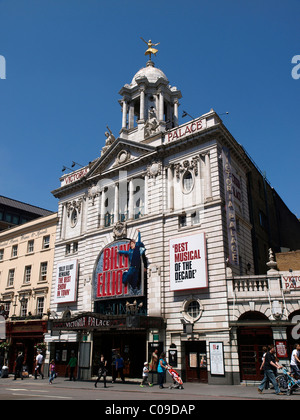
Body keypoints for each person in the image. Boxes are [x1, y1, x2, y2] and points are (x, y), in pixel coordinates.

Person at [118, 230, 147, 294]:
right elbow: (124, 252)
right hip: (132, 267)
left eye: (132, 243)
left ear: (134, 243)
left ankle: (135, 289)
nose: (131, 245)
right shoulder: (130, 251)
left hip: (137, 268)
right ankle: (125, 274)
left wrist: (139, 233)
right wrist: (119, 251)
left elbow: (139, 240)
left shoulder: (137, 248)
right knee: (126, 278)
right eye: (131, 244)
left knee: (135, 281)